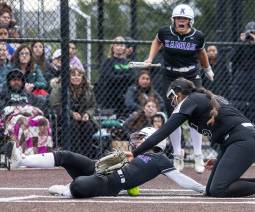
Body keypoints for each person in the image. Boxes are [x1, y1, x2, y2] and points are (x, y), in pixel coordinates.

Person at [129, 77, 255, 197]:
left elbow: (163, 132)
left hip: (243, 139)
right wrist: (224, 156)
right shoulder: (199, 99)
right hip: (236, 140)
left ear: (178, 93)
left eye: (172, 97)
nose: (172, 101)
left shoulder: (190, 100)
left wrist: (135, 153)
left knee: (218, 190)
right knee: (211, 190)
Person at [5, 126, 205, 198]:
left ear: (155, 141)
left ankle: (68, 190)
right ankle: (20, 160)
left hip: (110, 183)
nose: (135, 141)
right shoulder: (133, 153)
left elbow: (180, 178)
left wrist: (203, 189)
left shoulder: (160, 159)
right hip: (96, 166)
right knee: (66, 156)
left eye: (141, 138)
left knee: (80, 184)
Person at [143, 4, 213, 173]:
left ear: (191, 21)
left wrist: (207, 68)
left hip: (191, 77)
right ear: (173, 20)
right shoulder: (165, 32)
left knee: (196, 113)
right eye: (179, 18)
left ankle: (198, 155)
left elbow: (201, 52)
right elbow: (156, 41)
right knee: (175, 116)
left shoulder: (198, 36)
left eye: (185, 19)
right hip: (171, 77)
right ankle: (177, 155)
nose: (181, 21)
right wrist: (150, 57)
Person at [229, 21, 255, 150]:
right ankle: (240, 143)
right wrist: (240, 43)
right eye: (249, 33)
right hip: (240, 86)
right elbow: (231, 58)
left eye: (253, 33)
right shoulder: (240, 45)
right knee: (239, 114)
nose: (251, 36)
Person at [0, 69, 52, 154]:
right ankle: (22, 154)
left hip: (29, 117)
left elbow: (39, 107)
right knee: (22, 120)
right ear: (9, 82)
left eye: (19, 79)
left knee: (43, 120)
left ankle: (43, 153)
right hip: (12, 120)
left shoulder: (27, 94)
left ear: (22, 82)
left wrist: (28, 110)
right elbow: (3, 110)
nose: (16, 82)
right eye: (13, 80)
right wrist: (19, 110)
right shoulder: (4, 93)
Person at [50, 67, 97, 157]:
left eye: (79, 75)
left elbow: (93, 106)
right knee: (73, 125)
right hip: (63, 118)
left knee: (88, 126)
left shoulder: (88, 88)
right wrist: (71, 114)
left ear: (83, 77)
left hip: (83, 118)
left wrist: (87, 114)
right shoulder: (60, 87)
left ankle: (87, 156)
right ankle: (75, 155)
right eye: (73, 75)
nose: (76, 77)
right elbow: (55, 105)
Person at [95, 36, 134, 118]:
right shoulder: (108, 62)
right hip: (110, 97)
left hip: (125, 96)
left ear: (125, 48)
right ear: (113, 47)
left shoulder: (128, 62)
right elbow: (109, 77)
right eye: (117, 45)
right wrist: (125, 77)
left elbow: (133, 77)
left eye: (122, 45)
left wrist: (119, 77)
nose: (119, 47)